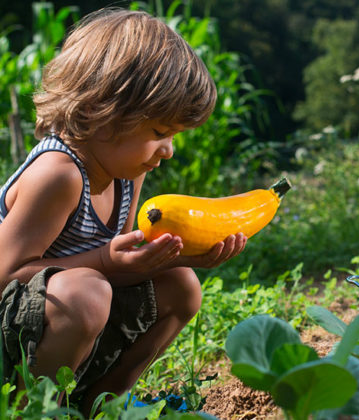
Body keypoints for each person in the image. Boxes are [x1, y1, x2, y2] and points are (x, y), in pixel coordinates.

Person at [0, 8, 247, 413]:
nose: (167, 151)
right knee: (87, 294)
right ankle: (34, 409)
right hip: (10, 331)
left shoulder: (124, 174)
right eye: (159, 133)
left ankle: (101, 405)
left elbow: (121, 260)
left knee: (181, 285)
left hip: (49, 323)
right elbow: (5, 275)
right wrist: (105, 262)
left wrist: (178, 256)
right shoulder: (59, 176)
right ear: (106, 111)